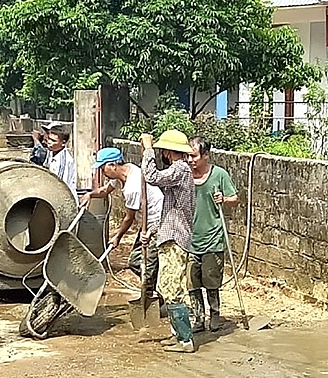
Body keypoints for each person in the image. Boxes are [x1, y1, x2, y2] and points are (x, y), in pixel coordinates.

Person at [140, 130, 196, 353]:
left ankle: (185, 339)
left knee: (172, 289)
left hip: (175, 239)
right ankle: (176, 334)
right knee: (166, 286)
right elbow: (170, 212)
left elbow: (151, 176)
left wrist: (147, 151)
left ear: (169, 151)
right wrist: (153, 230)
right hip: (169, 234)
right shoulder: (179, 172)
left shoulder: (180, 169)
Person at [81, 147, 164, 292]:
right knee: (135, 261)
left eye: (102, 167)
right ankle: (155, 282)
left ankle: (154, 295)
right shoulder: (125, 172)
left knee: (148, 269)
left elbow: (128, 218)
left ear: (113, 165)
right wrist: (90, 195)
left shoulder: (133, 186)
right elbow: (105, 190)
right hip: (145, 223)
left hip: (156, 224)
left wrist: (117, 237)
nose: (101, 172)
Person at [187, 136, 239, 332]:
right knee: (192, 282)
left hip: (212, 237)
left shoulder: (219, 175)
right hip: (190, 238)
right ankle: (198, 318)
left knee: (211, 281)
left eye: (194, 156)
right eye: (188, 157)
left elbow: (235, 199)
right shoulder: (185, 176)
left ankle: (214, 315)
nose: (191, 161)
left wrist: (224, 198)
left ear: (206, 155)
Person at [44, 124, 77, 198]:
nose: (49, 142)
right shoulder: (51, 151)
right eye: (49, 138)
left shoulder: (63, 161)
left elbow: (61, 185)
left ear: (63, 143)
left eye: (53, 140)